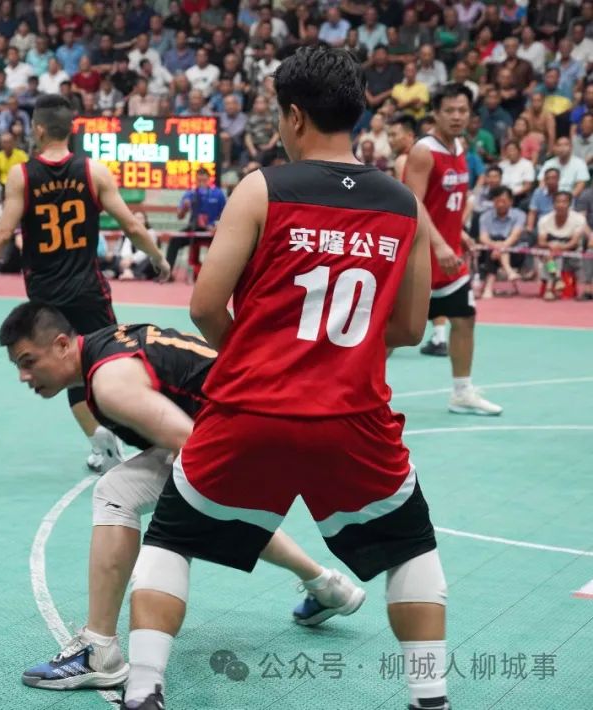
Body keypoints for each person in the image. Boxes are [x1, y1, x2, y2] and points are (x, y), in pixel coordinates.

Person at [121, 46, 451, 710]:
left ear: (294, 116)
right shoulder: (404, 207)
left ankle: (143, 688)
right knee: (409, 545)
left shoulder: (262, 188)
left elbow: (205, 306)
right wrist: (339, 357)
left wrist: (253, 355)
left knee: (173, 535)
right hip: (353, 417)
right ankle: (431, 697)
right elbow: (412, 328)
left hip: (250, 411)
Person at [0, 303, 366, 691]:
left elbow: (194, 447)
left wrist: (184, 522)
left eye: (28, 362)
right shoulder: (106, 347)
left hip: (253, 432)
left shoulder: (110, 384)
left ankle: (101, 651)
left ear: (61, 345)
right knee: (215, 514)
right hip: (264, 420)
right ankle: (328, 586)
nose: (23, 376)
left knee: (125, 495)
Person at [0, 94, 171, 472]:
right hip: (88, 289)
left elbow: (2, 233)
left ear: (37, 129)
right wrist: (158, 259)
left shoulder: (22, 175)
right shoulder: (93, 171)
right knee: (113, 361)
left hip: (46, 296)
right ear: (70, 129)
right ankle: (151, 434)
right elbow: (132, 225)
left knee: (67, 368)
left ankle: (100, 443)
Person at [402, 84, 501, 415]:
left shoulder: (460, 147)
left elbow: (446, 202)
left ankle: (462, 392)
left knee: (465, 318)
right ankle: (361, 393)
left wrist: (459, 233)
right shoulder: (423, 151)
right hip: (420, 258)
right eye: (450, 111)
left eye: (463, 110)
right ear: (435, 113)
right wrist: (440, 243)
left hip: (449, 259)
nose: (457, 117)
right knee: (394, 334)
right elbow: (413, 204)